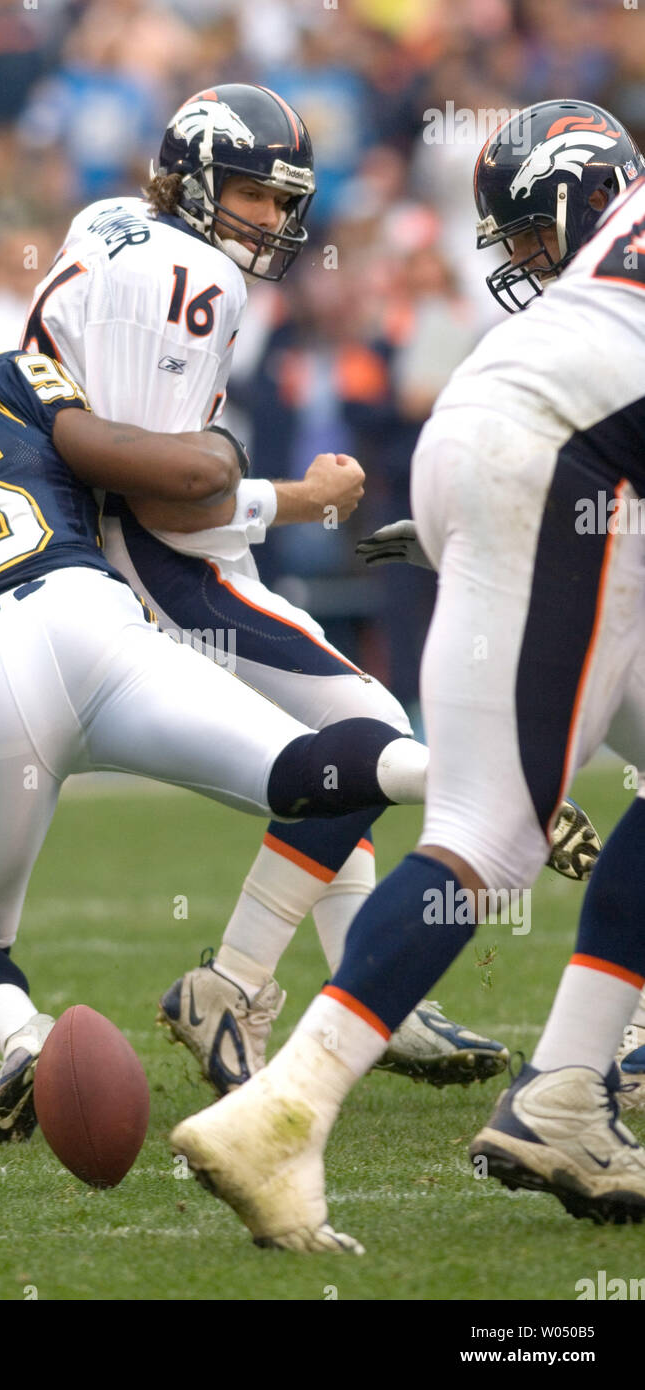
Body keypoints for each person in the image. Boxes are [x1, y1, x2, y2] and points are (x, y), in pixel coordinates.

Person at [170, 103, 645, 1251]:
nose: (526, 258)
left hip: (508, 441)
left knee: (496, 822)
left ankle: (567, 1091)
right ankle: (287, 1107)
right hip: (561, 451)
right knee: (490, 834)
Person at [23, 81, 543, 1095]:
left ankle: (371, 994)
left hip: (141, 544)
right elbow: (152, 490)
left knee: (332, 758)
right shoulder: (189, 270)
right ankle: (230, 982)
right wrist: (298, 498)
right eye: (252, 194)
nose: (269, 220)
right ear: (188, 177)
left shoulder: (115, 223)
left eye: (281, 200)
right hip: (158, 559)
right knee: (363, 727)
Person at [0, 338, 442, 1149]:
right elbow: (149, 478)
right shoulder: (1, 381)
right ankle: (451, 773)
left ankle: (26, 1039)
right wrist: (230, 462)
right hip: (87, 615)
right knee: (300, 772)